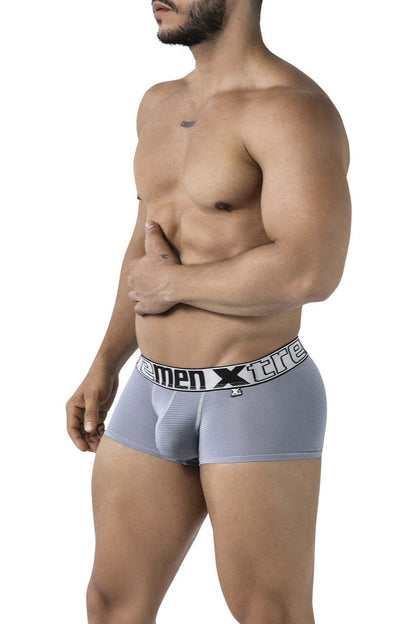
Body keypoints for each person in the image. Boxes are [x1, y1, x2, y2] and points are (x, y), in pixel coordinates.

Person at [66, 1, 351, 622]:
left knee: (268, 612)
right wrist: (106, 361)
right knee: (111, 601)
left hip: (254, 391)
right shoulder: (158, 103)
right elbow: (147, 246)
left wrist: (174, 285)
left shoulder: (291, 109)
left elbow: (311, 269)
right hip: (151, 388)